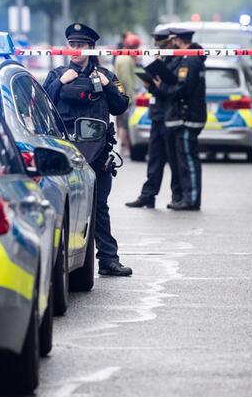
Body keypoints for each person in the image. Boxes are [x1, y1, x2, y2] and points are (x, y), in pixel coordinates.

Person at [43, 22, 132, 277]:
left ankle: (107, 259)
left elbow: (120, 107)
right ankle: (61, 260)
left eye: (81, 45)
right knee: (64, 207)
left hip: (98, 154)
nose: (76, 50)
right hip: (65, 154)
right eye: (72, 45)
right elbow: (42, 103)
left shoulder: (105, 76)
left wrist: (106, 85)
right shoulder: (57, 74)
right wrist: (61, 82)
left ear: (92, 48)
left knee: (99, 206)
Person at [125, 25, 178, 209]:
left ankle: (178, 196)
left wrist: (156, 84)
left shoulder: (177, 59)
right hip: (157, 114)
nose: (158, 45)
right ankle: (148, 195)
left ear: (170, 41)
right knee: (154, 158)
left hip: (171, 114)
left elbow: (173, 87)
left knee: (174, 159)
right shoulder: (159, 57)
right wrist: (150, 83)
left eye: (160, 42)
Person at [162, 26, 207, 210]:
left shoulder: (190, 60)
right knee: (184, 159)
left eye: (174, 41)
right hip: (188, 115)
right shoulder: (191, 58)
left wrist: (164, 89)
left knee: (188, 160)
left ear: (179, 41)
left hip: (189, 116)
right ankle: (188, 197)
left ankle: (192, 199)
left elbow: (183, 88)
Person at [113, 32, 142, 154]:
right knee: (125, 122)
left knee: (121, 121)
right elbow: (126, 80)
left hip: (119, 93)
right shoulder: (126, 58)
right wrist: (130, 96)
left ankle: (123, 145)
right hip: (125, 95)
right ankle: (123, 146)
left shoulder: (123, 56)